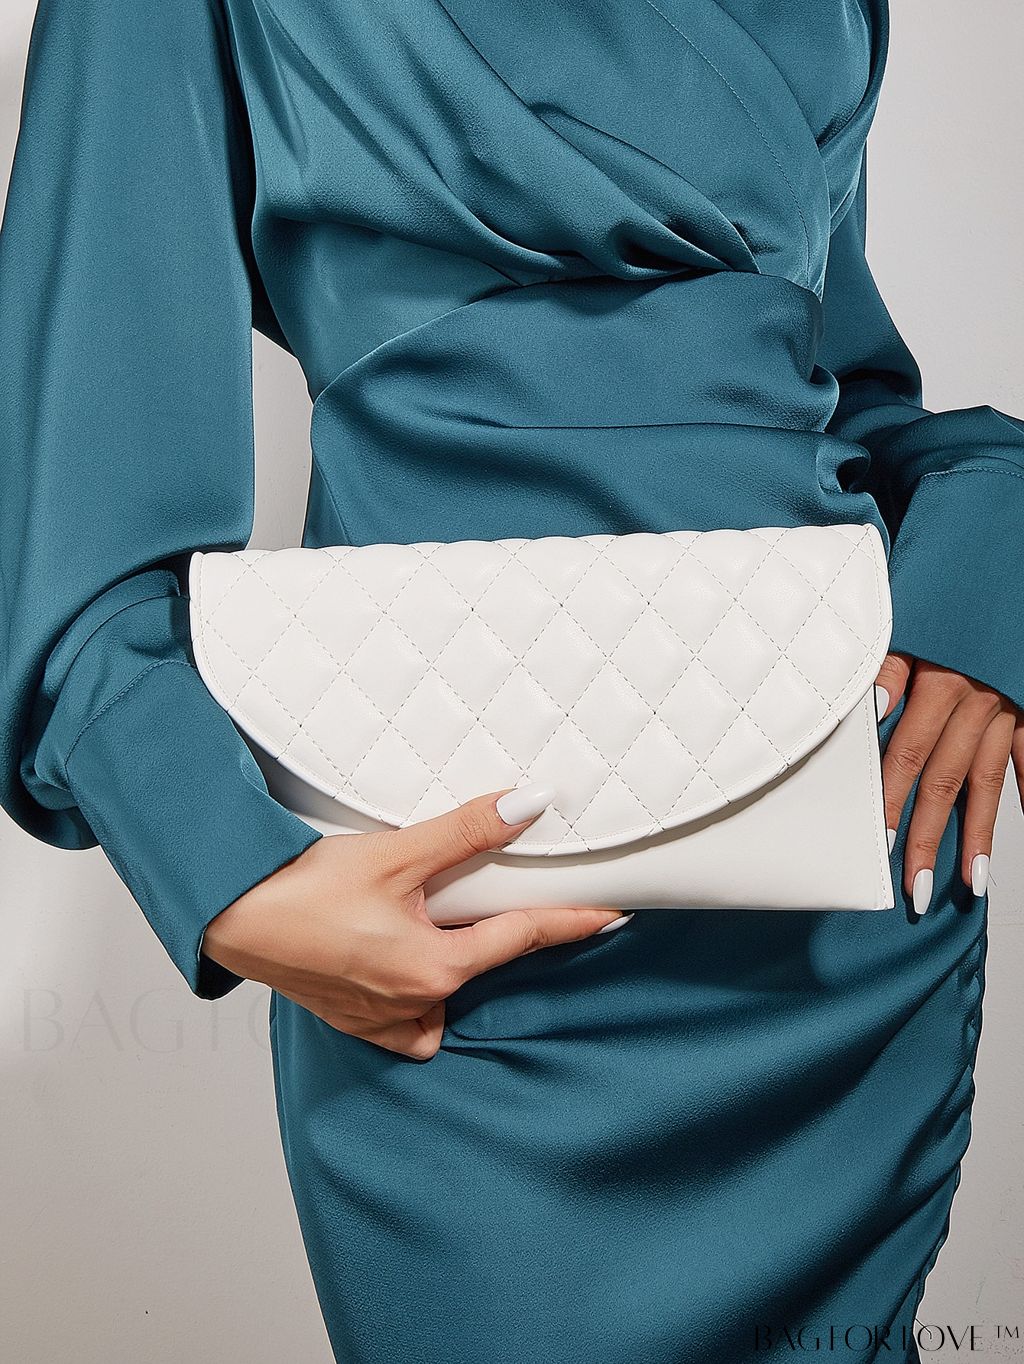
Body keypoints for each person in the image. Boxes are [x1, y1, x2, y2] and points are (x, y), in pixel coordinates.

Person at [1, 1, 1021, 1360]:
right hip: (467, 940)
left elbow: (836, 384)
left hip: (836, 911)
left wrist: (991, 557)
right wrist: (231, 881)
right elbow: (81, 490)